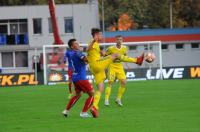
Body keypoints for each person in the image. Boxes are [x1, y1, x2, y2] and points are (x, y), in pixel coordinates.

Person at [87, 28, 144, 116]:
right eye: (100, 35)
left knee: (100, 88)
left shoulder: (96, 45)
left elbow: (93, 53)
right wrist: (93, 41)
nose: (101, 36)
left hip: (95, 68)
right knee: (116, 55)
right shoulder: (93, 42)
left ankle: (94, 107)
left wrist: (102, 54)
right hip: (97, 65)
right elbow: (88, 48)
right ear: (96, 35)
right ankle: (137, 60)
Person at [62, 39, 97, 118]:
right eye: (75, 43)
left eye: (77, 42)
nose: (78, 44)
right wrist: (91, 55)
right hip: (81, 78)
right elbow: (87, 60)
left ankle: (66, 111)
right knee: (92, 94)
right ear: (72, 46)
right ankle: (83, 113)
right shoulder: (78, 53)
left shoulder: (73, 54)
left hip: (75, 77)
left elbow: (84, 61)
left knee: (78, 95)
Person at [104, 35, 130, 106]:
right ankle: (106, 100)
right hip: (111, 66)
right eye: (118, 39)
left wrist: (127, 64)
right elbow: (105, 56)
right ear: (115, 40)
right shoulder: (111, 48)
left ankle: (118, 99)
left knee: (124, 82)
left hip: (119, 67)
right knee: (110, 82)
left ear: (122, 40)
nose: (119, 41)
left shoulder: (124, 48)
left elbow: (125, 56)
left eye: (120, 39)